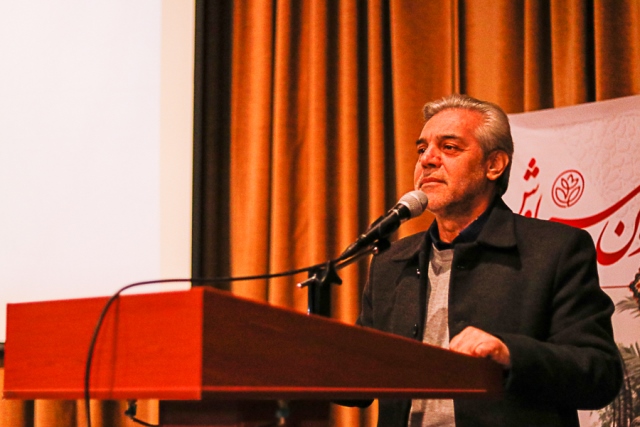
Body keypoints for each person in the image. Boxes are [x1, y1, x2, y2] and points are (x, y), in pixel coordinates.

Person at [355, 94, 623, 426]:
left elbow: (599, 373)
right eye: (422, 149)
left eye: (449, 147)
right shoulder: (392, 263)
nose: (427, 160)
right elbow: (356, 378)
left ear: (494, 165)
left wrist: (509, 353)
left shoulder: (554, 251)